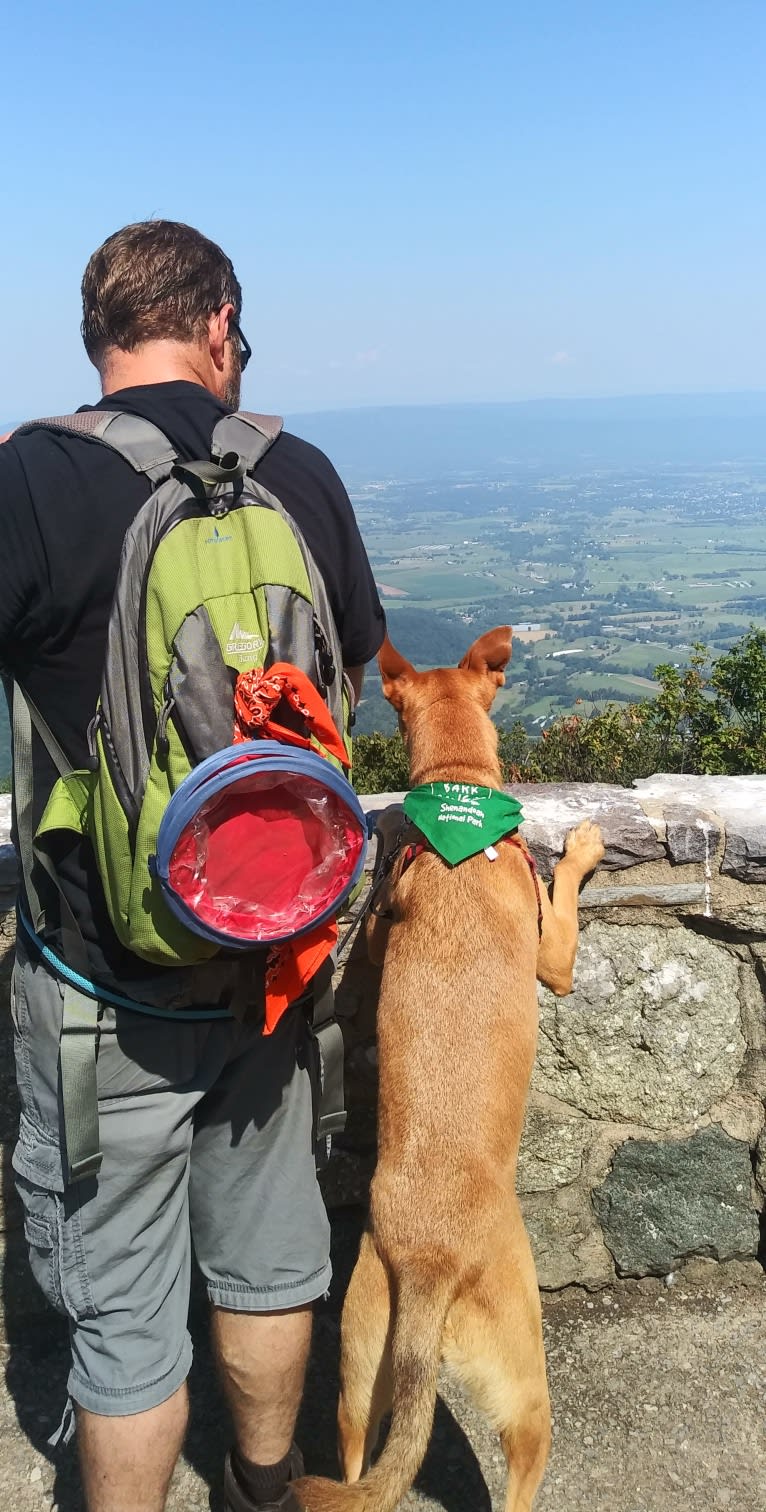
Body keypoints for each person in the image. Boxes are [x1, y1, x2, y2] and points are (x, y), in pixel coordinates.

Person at [0, 220, 386, 1512]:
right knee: (274, 1265)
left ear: (96, 336)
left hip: (104, 989)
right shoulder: (304, 474)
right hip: (267, 972)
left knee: (123, 1328)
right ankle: (262, 1493)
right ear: (220, 322)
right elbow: (349, 689)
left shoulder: (31, 482)